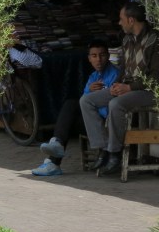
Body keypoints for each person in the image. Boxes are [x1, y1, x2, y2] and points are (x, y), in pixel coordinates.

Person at [79, 2, 159, 176]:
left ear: (131, 20)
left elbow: (155, 78)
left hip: (149, 92)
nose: (119, 22)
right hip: (128, 87)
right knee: (86, 100)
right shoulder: (127, 39)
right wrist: (116, 84)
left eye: (122, 19)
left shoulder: (154, 40)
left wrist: (129, 87)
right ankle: (103, 149)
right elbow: (124, 69)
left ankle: (115, 153)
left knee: (116, 104)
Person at [32, 39, 118, 177]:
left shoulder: (115, 75)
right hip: (92, 121)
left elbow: (111, 106)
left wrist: (94, 96)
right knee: (70, 108)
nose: (98, 60)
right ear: (89, 59)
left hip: (105, 123)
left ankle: (53, 161)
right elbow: (84, 103)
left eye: (102, 55)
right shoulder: (93, 77)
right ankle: (55, 152)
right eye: (94, 56)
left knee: (70, 108)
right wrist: (89, 91)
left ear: (108, 56)